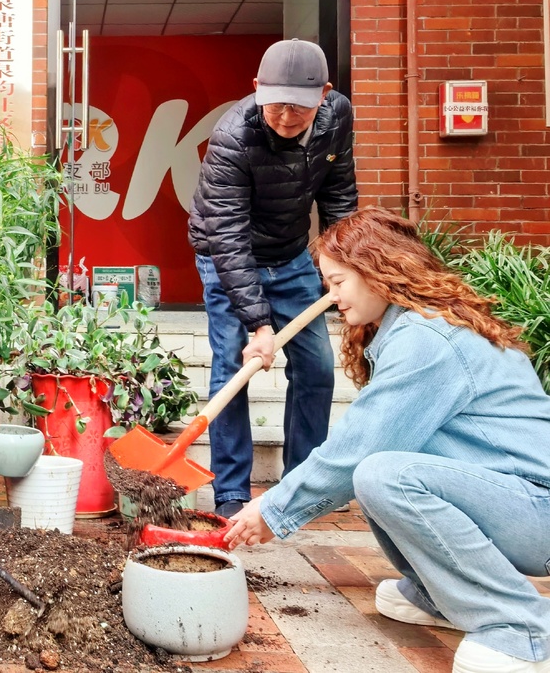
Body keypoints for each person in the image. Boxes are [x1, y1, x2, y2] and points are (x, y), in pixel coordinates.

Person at [225, 207, 550, 673]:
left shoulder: (428, 338)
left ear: (378, 270)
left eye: (339, 281)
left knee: (381, 472)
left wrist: (274, 509)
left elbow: (361, 444)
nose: (331, 295)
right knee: (382, 466)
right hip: (515, 501)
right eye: (327, 283)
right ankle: (438, 595)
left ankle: (519, 627)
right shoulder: (416, 327)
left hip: (538, 512)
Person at [188, 37, 357, 518]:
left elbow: (339, 196)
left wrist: (342, 264)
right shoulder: (232, 137)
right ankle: (231, 491)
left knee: (317, 365)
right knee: (231, 366)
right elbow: (228, 237)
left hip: (289, 255)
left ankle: (302, 485)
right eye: (276, 104)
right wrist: (260, 327)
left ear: (324, 94)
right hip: (225, 255)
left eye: (298, 107)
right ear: (257, 88)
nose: (285, 117)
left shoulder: (337, 118)